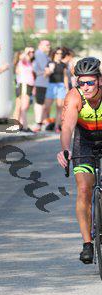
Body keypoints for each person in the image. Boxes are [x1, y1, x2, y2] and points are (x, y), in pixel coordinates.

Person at [56, 57, 102, 264]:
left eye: (90, 82)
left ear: (99, 81)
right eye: (81, 83)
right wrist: (65, 149)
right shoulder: (75, 97)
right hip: (84, 142)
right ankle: (87, 244)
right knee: (84, 188)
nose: (86, 87)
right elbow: (67, 127)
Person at [45, 47, 69, 133]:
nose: (59, 55)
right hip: (51, 85)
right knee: (47, 106)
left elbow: (65, 76)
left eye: (61, 54)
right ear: (54, 54)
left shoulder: (63, 64)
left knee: (59, 107)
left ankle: (56, 126)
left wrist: (67, 88)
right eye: (57, 53)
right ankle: (47, 122)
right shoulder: (50, 63)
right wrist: (50, 70)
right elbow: (45, 75)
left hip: (61, 86)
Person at [33, 40, 52, 132]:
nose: (49, 46)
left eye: (49, 45)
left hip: (43, 82)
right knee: (40, 103)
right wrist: (50, 70)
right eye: (47, 45)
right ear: (40, 45)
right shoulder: (40, 54)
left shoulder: (43, 54)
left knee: (43, 103)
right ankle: (38, 123)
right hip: (41, 82)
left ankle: (43, 122)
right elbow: (47, 70)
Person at [14, 47, 35, 131]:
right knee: (24, 106)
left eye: (33, 52)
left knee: (21, 106)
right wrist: (26, 52)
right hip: (24, 85)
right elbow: (22, 57)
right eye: (30, 52)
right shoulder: (23, 61)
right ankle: (24, 126)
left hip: (28, 85)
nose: (32, 53)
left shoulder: (29, 63)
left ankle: (19, 125)